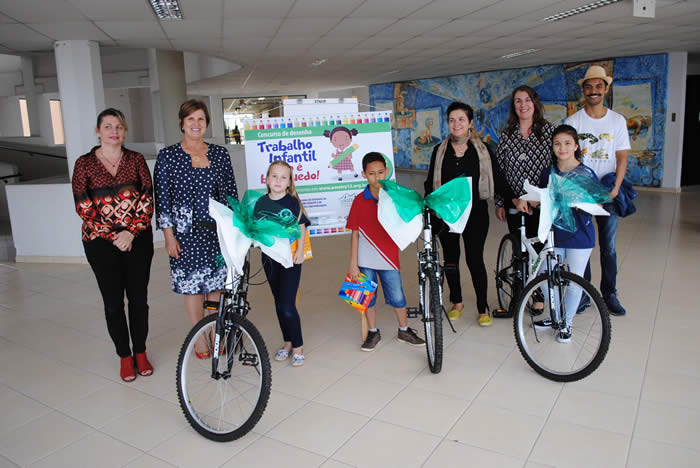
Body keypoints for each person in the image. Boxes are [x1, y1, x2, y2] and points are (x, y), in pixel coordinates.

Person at [72, 108, 154, 382]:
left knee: (139, 300)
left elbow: (147, 198)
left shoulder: (136, 159)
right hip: (100, 243)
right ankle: (124, 356)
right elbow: (83, 205)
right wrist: (114, 236)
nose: (114, 131)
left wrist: (130, 232)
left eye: (118, 126)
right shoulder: (84, 164)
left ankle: (140, 352)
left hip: (137, 240)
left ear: (124, 130)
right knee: (113, 303)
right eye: (108, 126)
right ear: (98, 132)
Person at [154, 99, 238, 358]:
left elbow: (231, 193)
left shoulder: (219, 154)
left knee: (215, 285)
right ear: (182, 122)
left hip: (216, 233)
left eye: (200, 119)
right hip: (185, 235)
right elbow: (162, 198)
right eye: (190, 119)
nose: (196, 124)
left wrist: (235, 231)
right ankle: (199, 337)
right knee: (193, 288)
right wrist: (169, 235)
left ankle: (216, 334)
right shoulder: (169, 156)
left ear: (207, 123)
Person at [565, 65, 630, 316]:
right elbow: (565, 155)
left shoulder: (617, 121)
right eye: (589, 86)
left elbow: (622, 157)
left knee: (608, 246)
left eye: (598, 86)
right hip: (581, 193)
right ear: (583, 90)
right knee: (583, 245)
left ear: (606, 89)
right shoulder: (573, 122)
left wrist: (615, 188)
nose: (593, 91)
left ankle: (610, 293)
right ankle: (582, 293)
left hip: (608, 192)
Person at [531, 124, 605, 342]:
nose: (562, 148)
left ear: (575, 146)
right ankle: (556, 316)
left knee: (574, 282)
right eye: (557, 143)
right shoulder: (548, 173)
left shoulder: (586, 173)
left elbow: (597, 204)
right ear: (552, 147)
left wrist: (578, 202)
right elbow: (544, 200)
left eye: (567, 143)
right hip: (554, 234)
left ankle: (567, 323)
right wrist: (533, 201)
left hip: (580, 236)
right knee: (544, 276)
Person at [425, 102, 496, 326]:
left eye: (461, 119)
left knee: (475, 260)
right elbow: (430, 182)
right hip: (447, 214)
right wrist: (429, 204)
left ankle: (483, 308)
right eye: (452, 120)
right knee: (451, 260)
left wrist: (513, 199)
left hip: (476, 215)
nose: (456, 124)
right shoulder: (439, 150)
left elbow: (497, 177)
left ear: (470, 123)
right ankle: (457, 302)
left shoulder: (482, 149)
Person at [347, 152, 425, 351]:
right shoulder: (358, 200)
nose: (377, 177)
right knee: (366, 297)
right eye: (372, 173)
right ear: (364, 174)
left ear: (387, 172)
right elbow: (355, 234)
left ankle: (404, 329)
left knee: (397, 296)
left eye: (381, 172)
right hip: (365, 258)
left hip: (389, 257)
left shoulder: (393, 197)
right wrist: (353, 263)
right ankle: (373, 332)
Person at [254, 161, 310, 366]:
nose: (278, 181)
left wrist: (301, 251)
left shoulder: (293, 202)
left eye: (283, 177)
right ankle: (287, 342)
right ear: (267, 179)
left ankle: (298, 346)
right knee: (279, 303)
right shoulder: (260, 202)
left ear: (289, 182)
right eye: (274, 176)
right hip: (269, 258)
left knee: (287, 304)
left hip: (291, 258)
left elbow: (301, 227)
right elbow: (257, 228)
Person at [494, 85, 555, 239]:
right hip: (515, 202)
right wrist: (500, 203)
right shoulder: (506, 135)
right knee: (519, 250)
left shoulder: (549, 132)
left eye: (527, 100)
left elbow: (557, 165)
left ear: (535, 103)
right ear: (514, 106)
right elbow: (499, 171)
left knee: (541, 248)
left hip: (541, 203)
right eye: (518, 101)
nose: (523, 105)